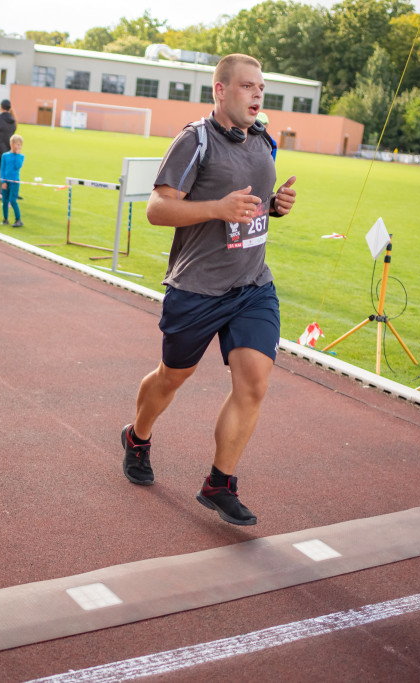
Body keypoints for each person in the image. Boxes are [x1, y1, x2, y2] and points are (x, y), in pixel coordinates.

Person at [120, 53, 297, 527]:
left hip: (252, 284)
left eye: (261, 87)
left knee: (254, 383)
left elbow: (249, 207)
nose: (258, 95)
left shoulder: (265, 140)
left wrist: (274, 209)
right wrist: (218, 207)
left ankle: (220, 482)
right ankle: (137, 436)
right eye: (247, 86)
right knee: (171, 378)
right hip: (197, 289)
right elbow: (158, 209)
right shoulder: (194, 140)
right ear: (220, 91)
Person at [0, 134, 24, 227]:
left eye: (20, 145)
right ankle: (5, 219)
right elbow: (2, 169)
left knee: (12, 200)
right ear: (11, 144)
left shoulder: (21, 156)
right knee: (4, 201)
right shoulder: (5, 156)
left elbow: (18, 166)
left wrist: (17, 155)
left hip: (15, 182)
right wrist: (3, 181)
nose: (19, 146)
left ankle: (18, 220)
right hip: (6, 182)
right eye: (17, 144)